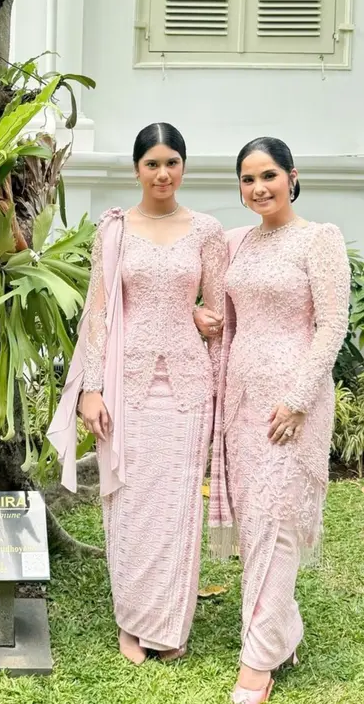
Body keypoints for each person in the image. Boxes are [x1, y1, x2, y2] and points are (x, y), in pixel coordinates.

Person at [48, 123, 227, 664]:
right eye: (152, 164)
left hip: (189, 386)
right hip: (125, 386)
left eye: (171, 162)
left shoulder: (208, 231)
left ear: (184, 167)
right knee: (127, 500)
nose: (162, 173)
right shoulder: (115, 230)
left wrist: (200, 319)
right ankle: (132, 621)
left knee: (176, 504)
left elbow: (220, 313)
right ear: (136, 170)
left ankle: (168, 625)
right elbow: (98, 312)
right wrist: (90, 389)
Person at [198, 137, 350, 704]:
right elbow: (222, 314)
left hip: (292, 405)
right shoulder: (237, 243)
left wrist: (298, 398)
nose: (258, 187)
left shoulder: (319, 239)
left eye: (268, 175)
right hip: (242, 403)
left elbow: (332, 324)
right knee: (255, 526)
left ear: (292, 176)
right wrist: (198, 315)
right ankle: (282, 635)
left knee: (277, 522)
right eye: (248, 179)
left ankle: (257, 662)